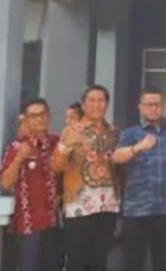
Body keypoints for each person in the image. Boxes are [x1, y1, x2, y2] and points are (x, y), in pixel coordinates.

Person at [112, 87, 166, 271]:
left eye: (158, 104)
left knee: (163, 263)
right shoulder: (130, 133)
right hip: (136, 210)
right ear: (140, 107)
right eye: (149, 104)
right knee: (133, 263)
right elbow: (116, 157)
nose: (154, 108)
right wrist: (138, 147)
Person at [50, 85, 120, 271]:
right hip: (79, 205)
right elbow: (55, 166)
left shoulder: (114, 132)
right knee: (77, 260)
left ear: (107, 104)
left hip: (108, 204)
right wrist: (66, 146)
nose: (97, 105)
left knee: (100, 259)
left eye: (101, 100)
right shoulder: (71, 131)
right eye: (92, 100)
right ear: (83, 105)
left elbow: (120, 168)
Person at [1, 98, 61, 271]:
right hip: (27, 224)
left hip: (53, 222)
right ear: (26, 120)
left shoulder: (57, 143)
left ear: (49, 116)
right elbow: (6, 183)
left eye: (43, 114)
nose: (40, 119)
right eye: (34, 116)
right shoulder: (16, 146)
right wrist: (19, 158)